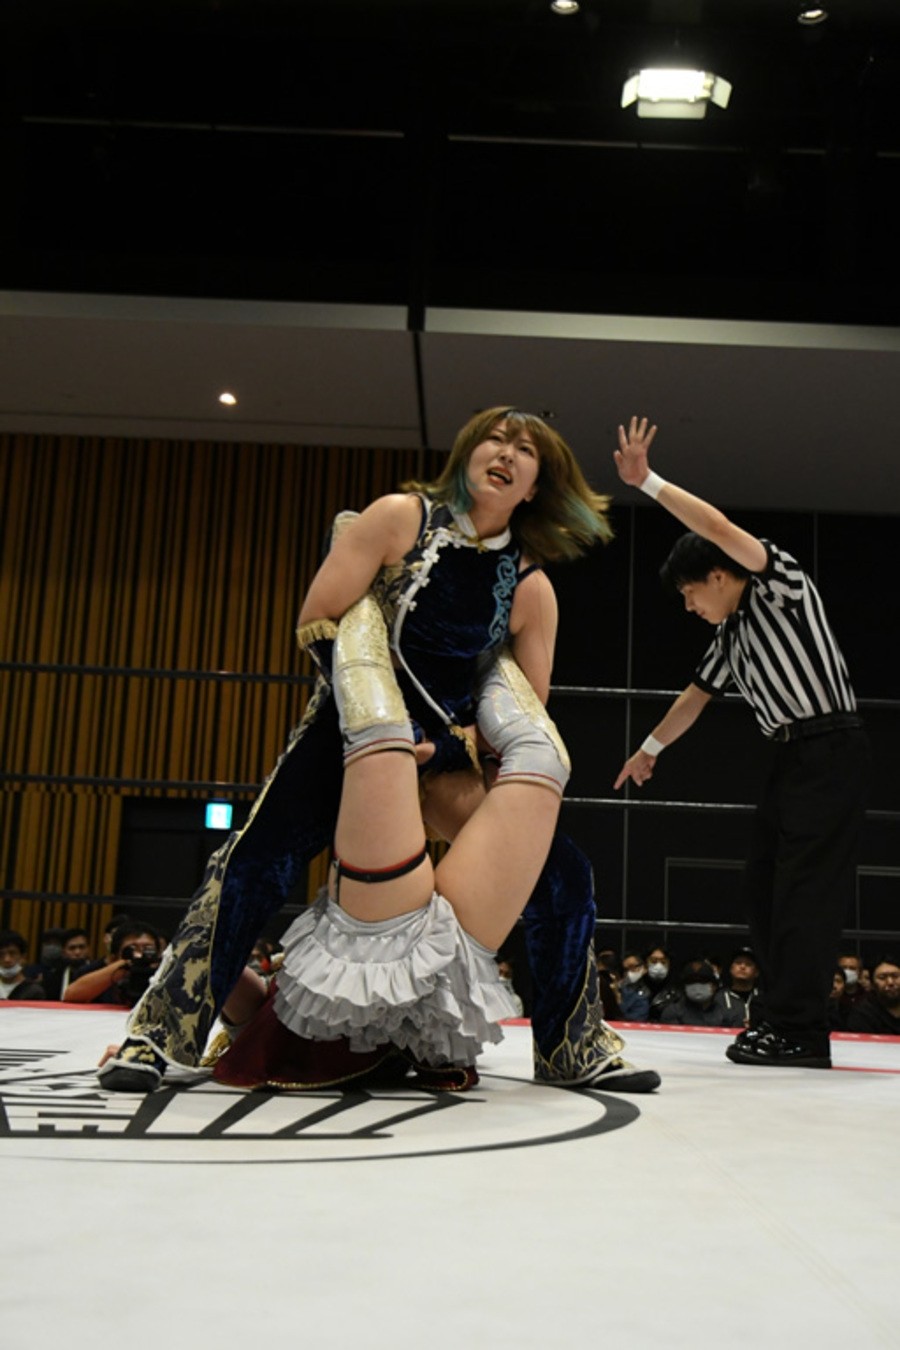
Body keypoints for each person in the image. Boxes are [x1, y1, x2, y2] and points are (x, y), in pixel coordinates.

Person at [99, 407, 660, 1095]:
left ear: (536, 486)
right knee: (251, 863)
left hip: (444, 756)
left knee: (562, 875)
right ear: (467, 452)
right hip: (349, 730)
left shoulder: (529, 585)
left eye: (524, 450)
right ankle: (158, 1035)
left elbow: (521, 707)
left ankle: (571, 1046)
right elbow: (319, 619)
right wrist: (384, 734)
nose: (505, 453)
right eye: (494, 438)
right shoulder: (400, 518)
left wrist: (450, 753)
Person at [613, 415, 870, 1069]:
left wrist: (649, 482)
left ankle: (802, 1032)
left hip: (830, 747)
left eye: (690, 592)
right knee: (764, 888)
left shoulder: (780, 586)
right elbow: (695, 696)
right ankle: (783, 1017)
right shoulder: (730, 636)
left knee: (804, 892)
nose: (689, 606)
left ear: (720, 575)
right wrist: (649, 749)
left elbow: (720, 528)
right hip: (790, 756)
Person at [64, 922, 162, 1007]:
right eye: (132, 948)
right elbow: (71, 996)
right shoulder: (96, 972)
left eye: (148, 949)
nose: (140, 954)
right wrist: (125, 965)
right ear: (114, 956)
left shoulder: (163, 974)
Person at [658, 959, 746, 1028]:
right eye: (691, 982)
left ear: (714, 986)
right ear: (684, 986)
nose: (697, 985)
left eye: (703, 981)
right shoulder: (673, 1012)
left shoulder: (728, 1015)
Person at [846, 955, 900, 1035]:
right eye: (882, 977)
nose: (890, 982)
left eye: (895, 976)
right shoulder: (862, 1014)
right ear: (872, 984)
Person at [0, 930, 46, 999]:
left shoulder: (34, 991)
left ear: (23, 957)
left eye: (12, 953)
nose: (7, 959)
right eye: (1, 954)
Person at [724, 947, 762, 1024]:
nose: (742, 967)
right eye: (738, 963)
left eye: (748, 964)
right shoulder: (719, 999)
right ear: (731, 969)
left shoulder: (764, 998)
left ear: (756, 972)